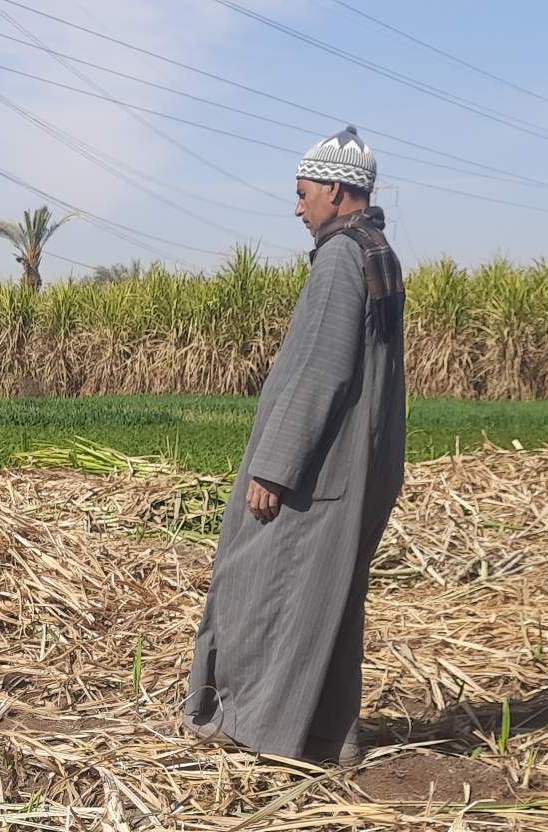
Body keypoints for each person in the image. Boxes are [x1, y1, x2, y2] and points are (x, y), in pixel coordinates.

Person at [183, 125, 404, 767]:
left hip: (320, 467)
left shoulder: (341, 255)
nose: (299, 206)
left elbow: (320, 367)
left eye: (304, 193)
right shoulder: (377, 248)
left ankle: (250, 722)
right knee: (326, 596)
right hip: (358, 463)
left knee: (258, 578)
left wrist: (275, 469)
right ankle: (323, 736)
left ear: (337, 191)